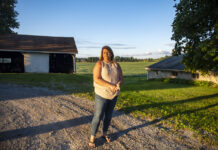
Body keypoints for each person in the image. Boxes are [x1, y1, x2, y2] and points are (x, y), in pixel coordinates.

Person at [89, 46, 123, 148]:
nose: (107, 54)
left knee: (108, 116)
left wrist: (119, 84)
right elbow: (96, 79)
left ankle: (104, 133)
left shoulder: (117, 65)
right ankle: (92, 137)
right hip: (101, 94)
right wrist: (110, 85)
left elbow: (121, 78)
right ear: (102, 54)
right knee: (98, 115)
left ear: (112, 53)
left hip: (114, 95)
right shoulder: (100, 64)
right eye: (104, 53)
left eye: (108, 52)